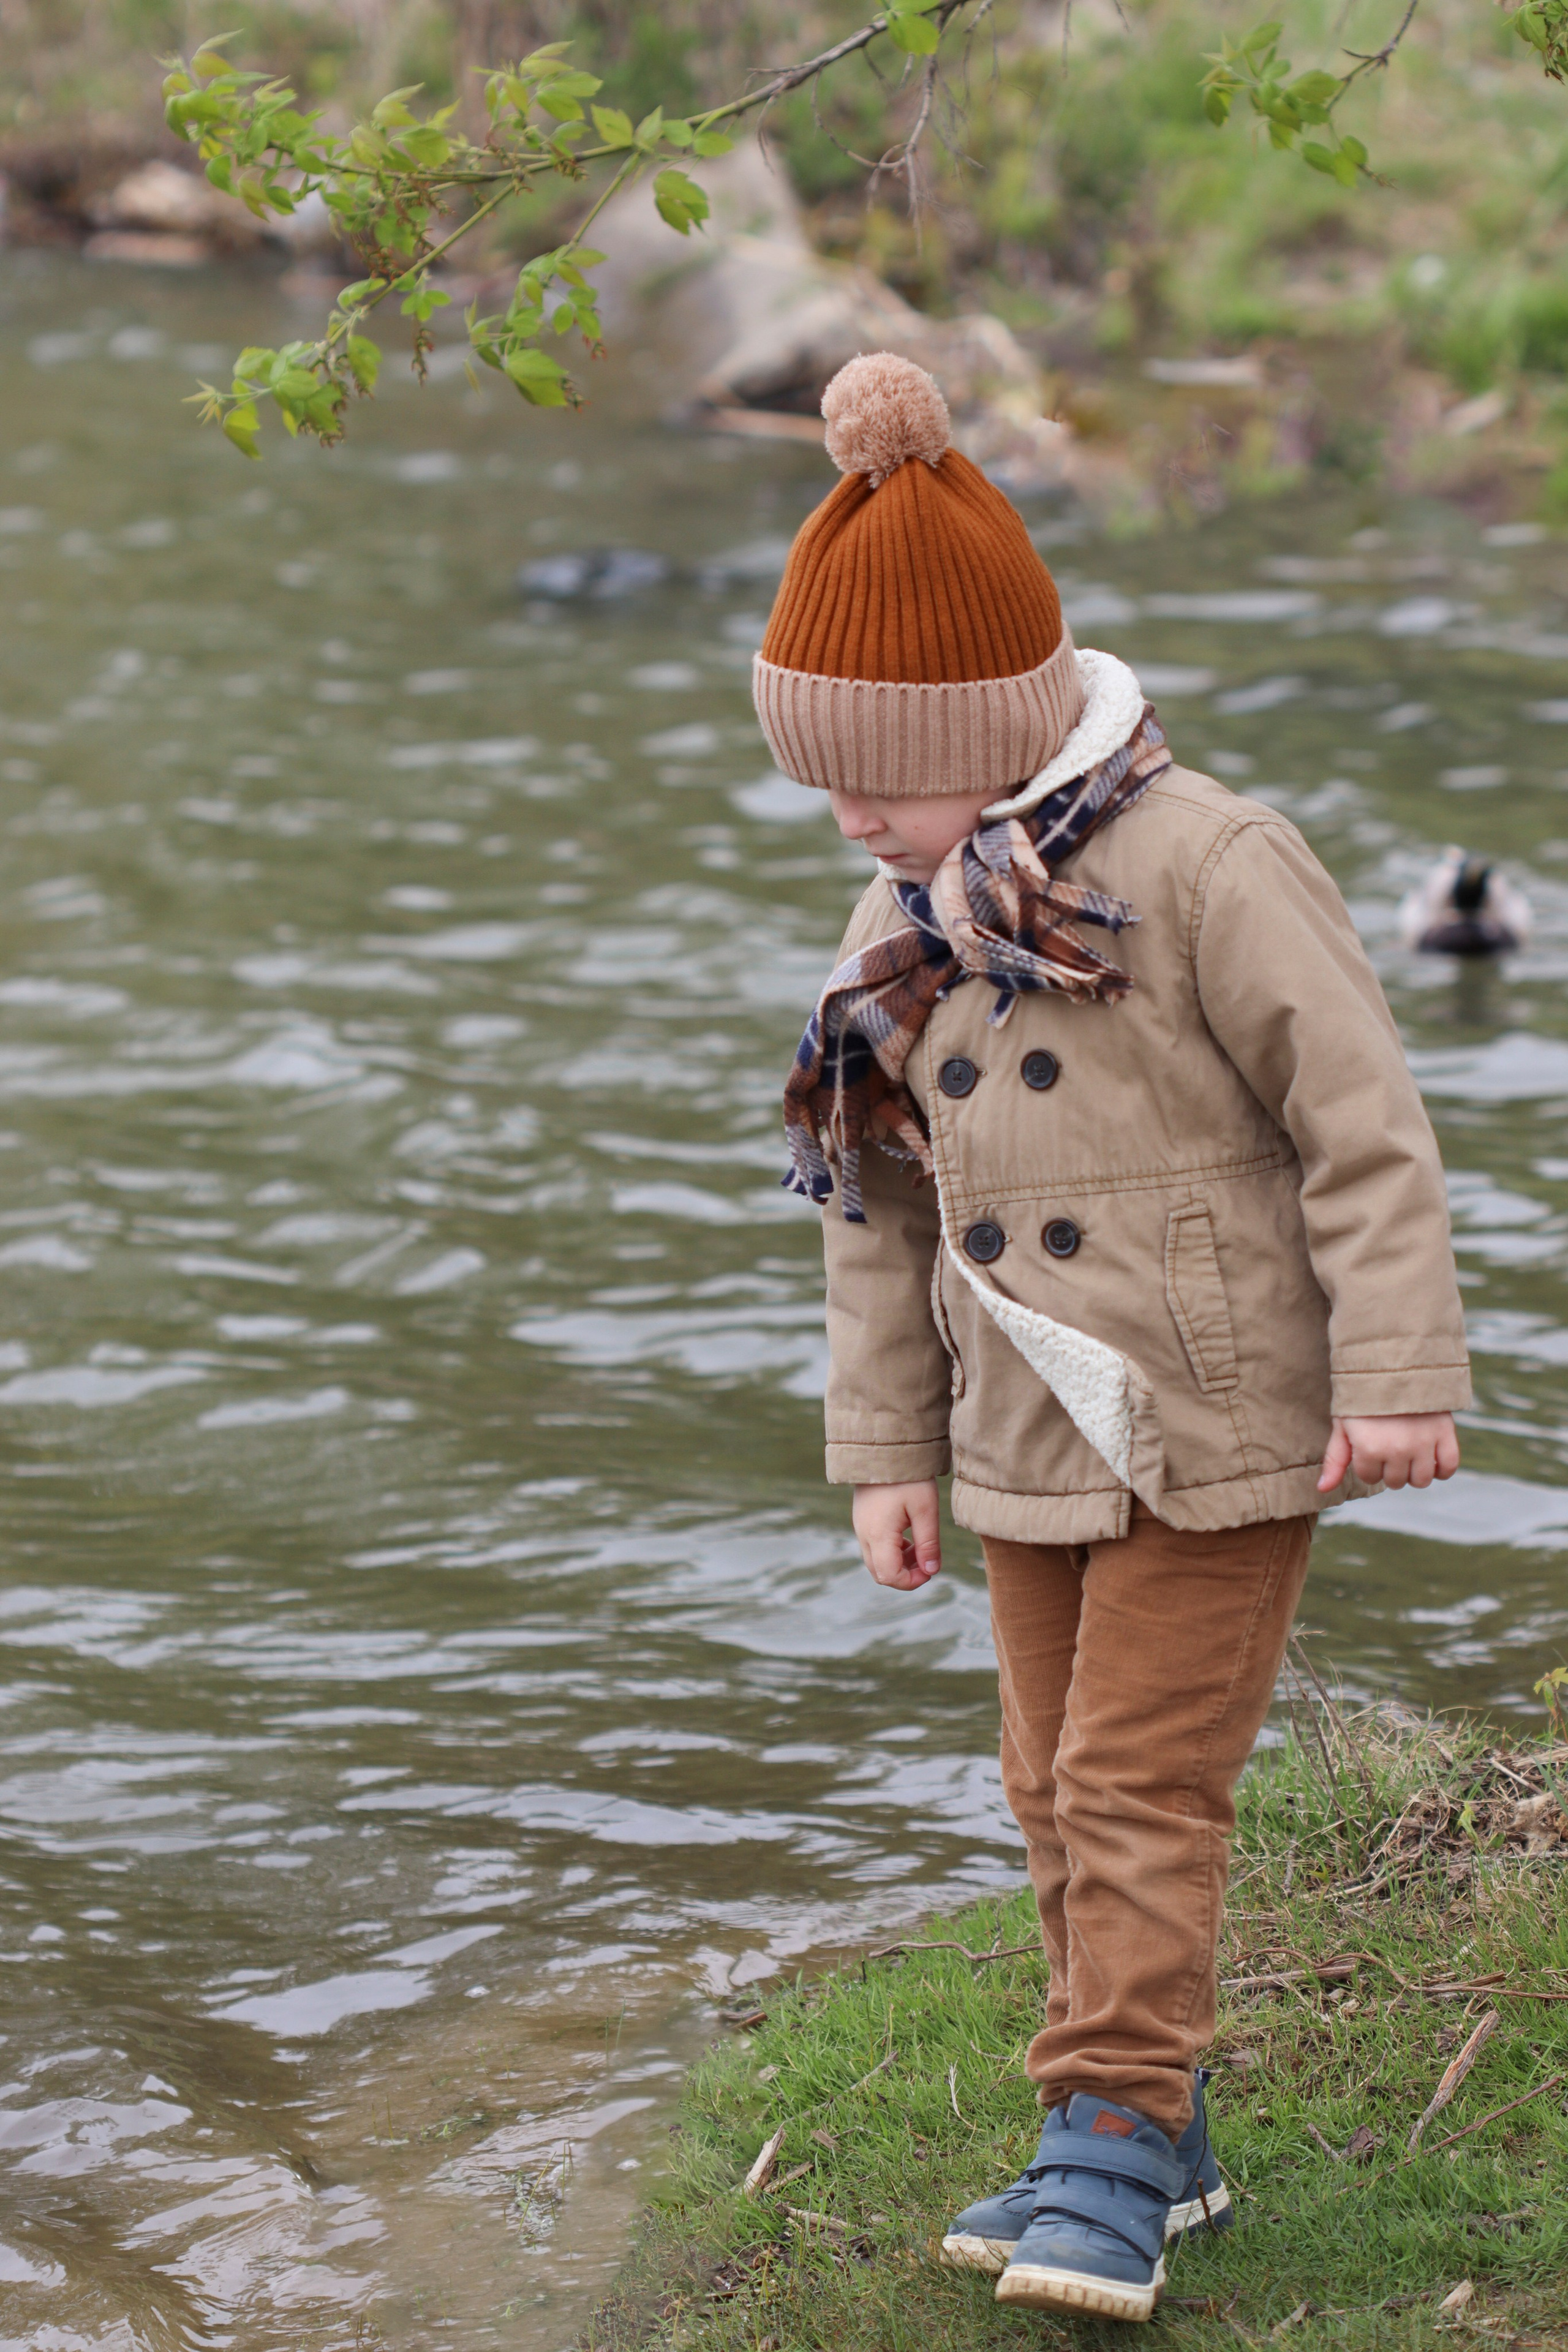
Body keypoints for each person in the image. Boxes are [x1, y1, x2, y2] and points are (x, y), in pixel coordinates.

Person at [752, 352, 1467, 2323]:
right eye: (815, 769)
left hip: (1215, 1410)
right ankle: (1168, 2128)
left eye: (875, 766)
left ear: (995, 724)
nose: (842, 809)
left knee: (1145, 1777)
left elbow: (1365, 1124)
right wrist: (889, 1450)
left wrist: (1402, 1374)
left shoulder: (1207, 865)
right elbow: (877, 1212)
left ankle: (1113, 2133)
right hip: (1024, 1426)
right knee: (1049, 1779)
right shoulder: (899, 926)